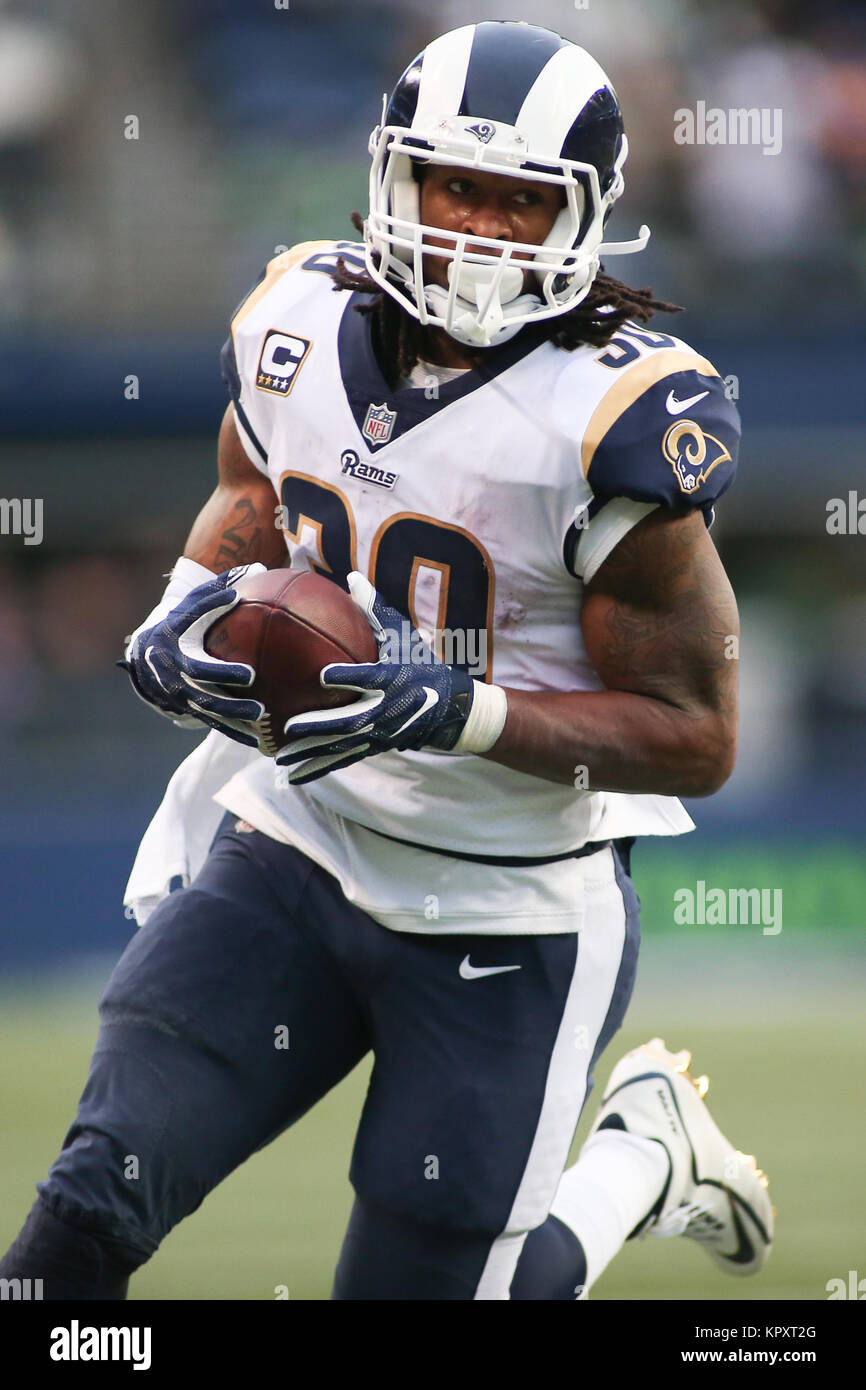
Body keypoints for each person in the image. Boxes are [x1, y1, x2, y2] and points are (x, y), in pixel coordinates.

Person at [0, 20, 772, 1300]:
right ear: (390, 178)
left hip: (504, 902)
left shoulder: (614, 421)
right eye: (450, 185)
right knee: (80, 1221)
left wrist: (455, 710)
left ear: (582, 220)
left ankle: (637, 1164)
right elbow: (256, 488)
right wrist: (180, 607)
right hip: (297, 846)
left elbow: (696, 732)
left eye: (517, 202)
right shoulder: (298, 308)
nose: (471, 227)